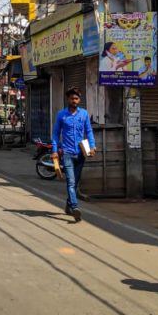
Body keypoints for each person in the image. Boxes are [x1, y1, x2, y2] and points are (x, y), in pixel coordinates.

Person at [51, 87, 96, 223]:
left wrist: (92, 146)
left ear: (79, 100)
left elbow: (89, 131)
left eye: (76, 99)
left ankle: (69, 205)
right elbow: (55, 134)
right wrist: (54, 150)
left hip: (81, 153)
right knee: (70, 182)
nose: (74, 101)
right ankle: (75, 207)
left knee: (75, 183)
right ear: (68, 99)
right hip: (67, 153)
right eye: (72, 98)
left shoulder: (84, 114)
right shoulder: (61, 115)